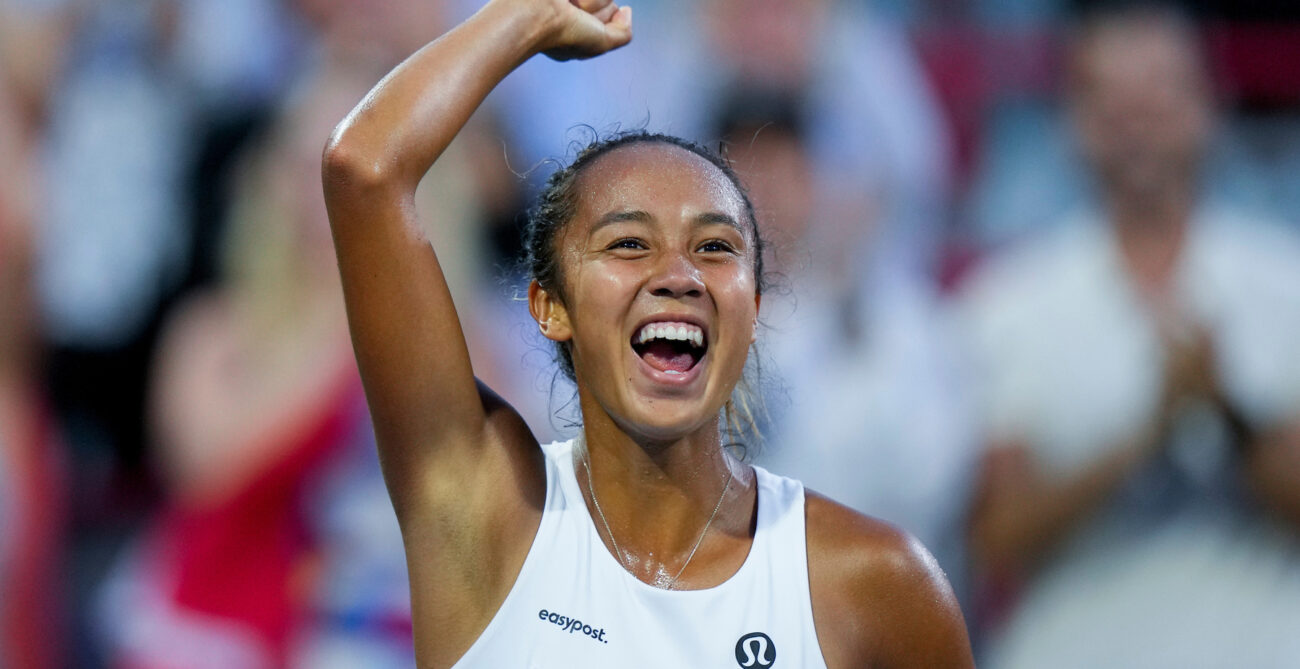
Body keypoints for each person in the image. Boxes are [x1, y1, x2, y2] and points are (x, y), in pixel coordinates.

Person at [321, 0, 974, 667]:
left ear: (752, 313)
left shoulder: (877, 582)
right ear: (549, 307)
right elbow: (364, 167)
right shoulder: (482, 509)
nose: (678, 274)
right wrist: (529, 18)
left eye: (715, 247)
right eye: (629, 243)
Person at [958, 5, 1300, 667]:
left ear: (1208, 104)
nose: (1138, 122)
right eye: (1111, 99)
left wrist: (1228, 414)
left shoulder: (1285, 284)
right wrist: (1146, 432)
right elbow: (994, 536)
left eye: (1159, 92)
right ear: (1073, 120)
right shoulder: (1008, 302)